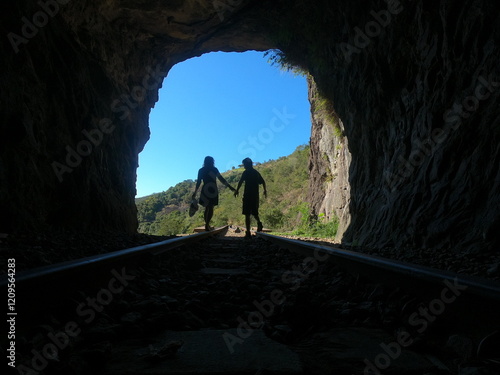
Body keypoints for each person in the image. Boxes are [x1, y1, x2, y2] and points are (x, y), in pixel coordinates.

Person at [192, 156, 236, 231]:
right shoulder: (214, 169)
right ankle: (207, 224)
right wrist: (230, 187)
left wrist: (195, 193)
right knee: (210, 207)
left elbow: (198, 182)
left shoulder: (201, 170)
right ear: (212, 162)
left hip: (205, 189)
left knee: (206, 208)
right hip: (213, 190)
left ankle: (207, 224)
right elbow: (221, 179)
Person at [234, 157, 267, 239]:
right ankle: (251, 228)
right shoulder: (256, 173)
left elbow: (241, 182)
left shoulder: (246, 173)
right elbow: (262, 182)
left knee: (247, 213)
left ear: (247, 164)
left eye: (244, 164)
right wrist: (264, 190)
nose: (244, 166)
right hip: (254, 196)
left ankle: (251, 230)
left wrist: (237, 190)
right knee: (252, 213)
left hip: (248, 195)